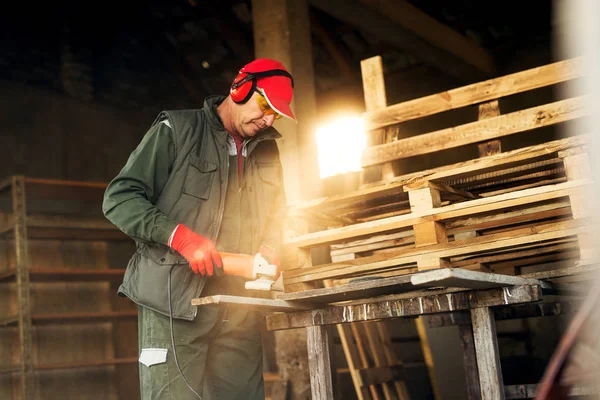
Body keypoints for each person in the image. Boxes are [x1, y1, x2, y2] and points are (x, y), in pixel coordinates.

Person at [102, 58, 294, 400]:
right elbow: (119, 198)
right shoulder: (177, 130)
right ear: (239, 89)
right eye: (265, 107)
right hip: (175, 304)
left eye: (276, 114)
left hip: (238, 307)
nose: (268, 120)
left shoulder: (268, 149)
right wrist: (180, 237)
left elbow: (279, 213)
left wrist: (270, 245)